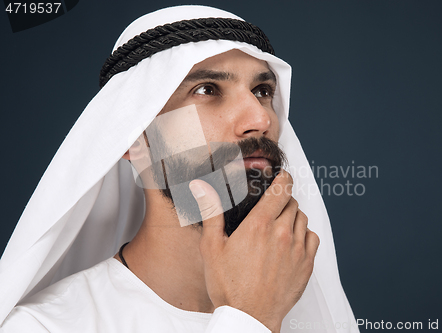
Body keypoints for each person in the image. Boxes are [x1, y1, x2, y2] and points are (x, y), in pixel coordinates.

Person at [0, 5, 359, 333]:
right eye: (207, 89)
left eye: (262, 90)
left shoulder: (311, 317)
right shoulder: (43, 326)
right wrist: (250, 321)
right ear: (133, 139)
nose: (260, 118)